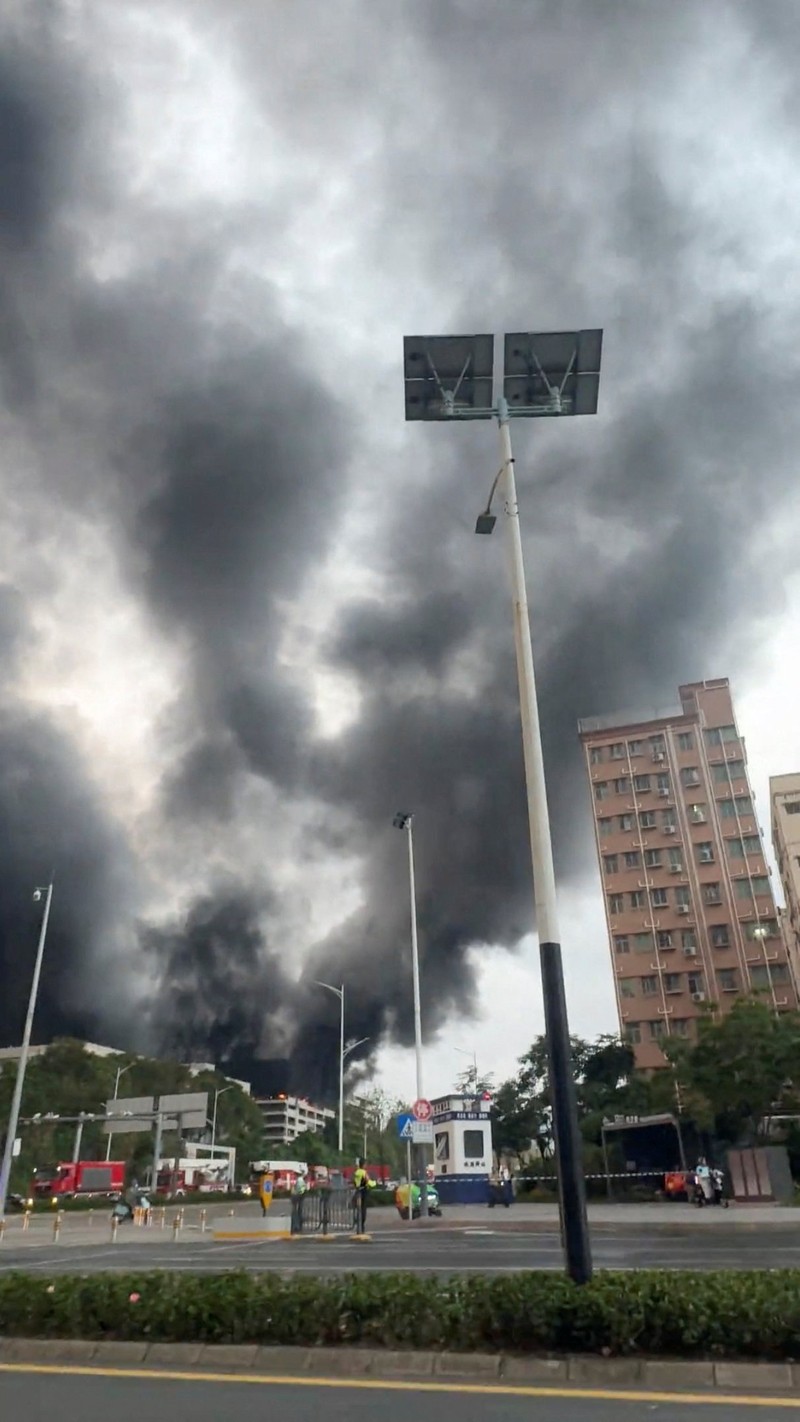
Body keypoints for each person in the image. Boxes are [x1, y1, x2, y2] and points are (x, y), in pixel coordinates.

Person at [352, 1158, 375, 1234]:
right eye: (366, 1164)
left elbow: (354, 1182)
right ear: (364, 1164)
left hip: (358, 1191)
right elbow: (368, 1182)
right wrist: (374, 1183)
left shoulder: (356, 1172)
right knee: (363, 1209)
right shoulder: (363, 1172)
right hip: (364, 1191)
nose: (366, 1165)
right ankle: (362, 1226)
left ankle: (358, 1224)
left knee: (358, 1208)